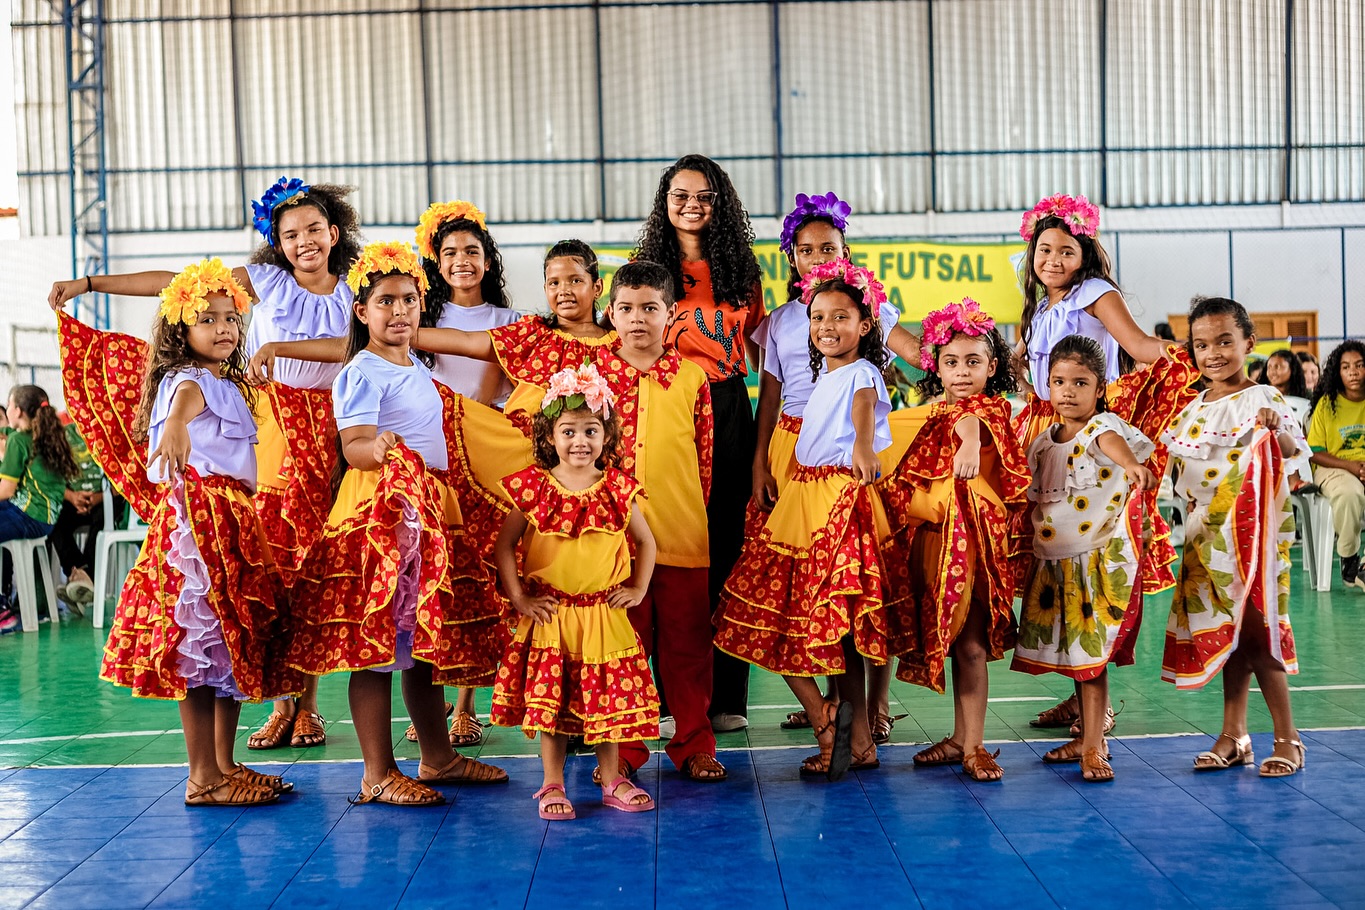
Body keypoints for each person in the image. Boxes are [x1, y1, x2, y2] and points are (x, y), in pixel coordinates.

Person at [49, 177, 362, 751]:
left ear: (334, 232)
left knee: (310, 569)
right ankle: (281, 704)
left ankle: (310, 705)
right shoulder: (263, 281)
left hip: (333, 432)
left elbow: (355, 350)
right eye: (291, 234)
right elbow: (177, 285)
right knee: (267, 566)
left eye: (314, 229)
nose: (304, 242)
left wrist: (279, 349)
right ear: (278, 242)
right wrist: (90, 283)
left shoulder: (356, 292)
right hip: (266, 426)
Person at [61, 260, 301, 803]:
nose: (223, 328)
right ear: (180, 328)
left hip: (231, 518)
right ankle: (202, 776)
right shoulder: (188, 379)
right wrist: (173, 423)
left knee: (228, 643)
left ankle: (223, 764)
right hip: (200, 524)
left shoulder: (224, 380)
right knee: (200, 644)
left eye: (230, 318)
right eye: (206, 319)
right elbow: (185, 401)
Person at [288, 241, 506, 807]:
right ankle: (377, 773)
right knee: (378, 647)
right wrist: (379, 449)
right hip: (382, 516)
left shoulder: (415, 366)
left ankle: (438, 757)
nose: (399, 310)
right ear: (362, 312)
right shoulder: (361, 371)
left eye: (409, 299)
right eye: (385, 301)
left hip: (424, 510)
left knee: (421, 643)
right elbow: (354, 445)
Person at [1012, 193, 1196, 733]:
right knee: (1055, 567)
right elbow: (1020, 369)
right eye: (1044, 250)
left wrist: (1197, 357)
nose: (1053, 260)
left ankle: (1098, 703)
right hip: (1046, 434)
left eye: (1065, 250)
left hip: (1089, 440)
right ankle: (1078, 696)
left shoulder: (1095, 293)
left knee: (1087, 568)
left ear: (1085, 253)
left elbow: (1139, 346)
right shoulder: (1038, 309)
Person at [752, 192, 922, 743]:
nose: (817, 257)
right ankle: (837, 706)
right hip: (794, 450)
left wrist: (967, 346)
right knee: (808, 584)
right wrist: (760, 463)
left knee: (859, 578)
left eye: (828, 247)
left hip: (850, 451)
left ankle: (875, 706)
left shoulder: (868, 307)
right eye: (806, 250)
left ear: (845, 251)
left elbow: (914, 355)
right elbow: (769, 398)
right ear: (791, 257)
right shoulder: (781, 321)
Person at [715, 259, 893, 780]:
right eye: (818, 317)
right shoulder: (826, 376)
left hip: (833, 501)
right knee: (779, 615)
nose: (826, 326)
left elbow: (864, 407)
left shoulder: (861, 373)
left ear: (865, 325)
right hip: (803, 494)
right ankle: (835, 723)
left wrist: (863, 445)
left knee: (818, 621)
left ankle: (848, 732)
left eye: (840, 317)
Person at [491, 363, 660, 820]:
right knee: (552, 705)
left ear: (607, 435)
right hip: (553, 617)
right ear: (550, 437)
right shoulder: (534, 487)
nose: (580, 441)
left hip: (603, 616)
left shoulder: (618, 489)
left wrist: (638, 587)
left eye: (591, 430)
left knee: (606, 703)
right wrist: (520, 598)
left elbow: (646, 542)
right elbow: (505, 545)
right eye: (568, 431)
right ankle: (552, 782)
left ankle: (612, 778)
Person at [635, 154, 767, 733]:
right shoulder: (646, 270)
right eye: (681, 195)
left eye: (705, 196)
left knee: (727, 545)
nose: (693, 205)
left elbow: (766, 355)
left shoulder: (741, 273)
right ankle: (670, 700)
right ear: (665, 202)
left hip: (730, 405)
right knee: (668, 548)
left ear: (721, 204)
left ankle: (727, 697)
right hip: (667, 408)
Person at [879, 298, 1029, 782]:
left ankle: (975, 744)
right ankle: (962, 738)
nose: (962, 372)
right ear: (936, 367)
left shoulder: (990, 412)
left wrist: (967, 440)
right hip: (934, 545)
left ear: (992, 367)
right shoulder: (929, 415)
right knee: (954, 643)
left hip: (974, 551)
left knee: (972, 646)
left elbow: (971, 422)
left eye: (973, 361)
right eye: (951, 362)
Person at [1162, 297, 1309, 777]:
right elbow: (1181, 479)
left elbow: (1291, 454)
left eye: (1225, 341)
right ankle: (1234, 734)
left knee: (1259, 634)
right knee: (1228, 637)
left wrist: (1275, 432)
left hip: (1253, 539)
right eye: (1202, 345)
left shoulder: (1263, 399)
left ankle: (1288, 738)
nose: (1214, 354)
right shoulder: (1192, 409)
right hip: (1205, 538)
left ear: (1249, 343)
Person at [596, 261, 728, 783]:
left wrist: (687, 513)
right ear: (610, 313)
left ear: (671, 313)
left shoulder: (693, 377)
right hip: (611, 543)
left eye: (649, 308)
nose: (637, 319)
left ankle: (695, 743)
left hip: (680, 534)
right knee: (624, 648)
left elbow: (704, 460)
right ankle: (624, 751)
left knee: (688, 647)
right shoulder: (589, 376)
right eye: (626, 308)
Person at [399, 200, 522, 749]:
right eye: (449, 252)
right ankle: (436, 696)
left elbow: (507, 388)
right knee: (436, 575)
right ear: (437, 262)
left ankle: (468, 705)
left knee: (480, 573)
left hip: (488, 454)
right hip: (433, 456)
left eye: (471, 250)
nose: (461, 261)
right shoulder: (420, 319)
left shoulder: (510, 322)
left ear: (487, 260)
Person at [1011, 336, 1159, 782]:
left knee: (1090, 661)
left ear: (1099, 389)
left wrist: (1131, 465)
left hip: (1091, 564)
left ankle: (1094, 746)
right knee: (1075, 658)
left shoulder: (1102, 427)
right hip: (1054, 566)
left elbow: (1113, 443)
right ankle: (1085, 738)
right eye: (1059, 382)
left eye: (1080, 383)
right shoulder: (1042, 442)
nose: (1068, 391)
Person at [0, 386, 79, 631]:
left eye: (9, 405)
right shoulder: (47, 435)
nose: (7, 409)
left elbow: (6, 491)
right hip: (45, 519)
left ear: (17, 411)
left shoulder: (18, 441)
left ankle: (3, 612)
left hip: (28, 517)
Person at [1305, 340, 1365, 592]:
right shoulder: (1327, 404)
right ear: (1337, 372)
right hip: (1334, 467)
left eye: (1359, 365)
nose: (1353, 372)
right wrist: (1351, 466)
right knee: (1349, 493)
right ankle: (1349, 558)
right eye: (1346, 367)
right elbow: (1314, 452)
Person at [49, 419, 125, 614]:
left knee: (103, 520)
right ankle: (80, 573)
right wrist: (72, 497)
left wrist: (99, 498)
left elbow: (124, 478)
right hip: (73, 499)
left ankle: (84, 577)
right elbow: (51, 478)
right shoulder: (62, 435)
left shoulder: (110, 430)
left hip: (104, 499)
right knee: (55, 520)